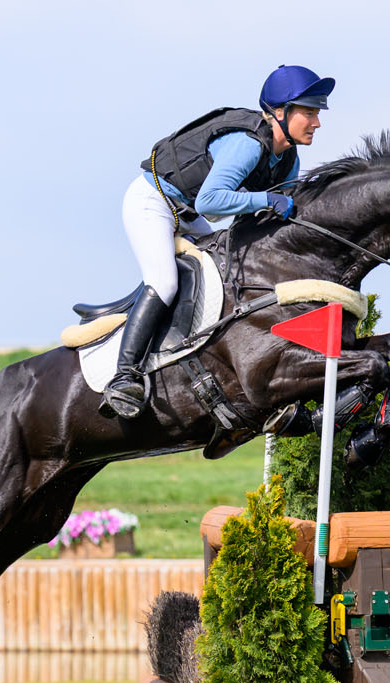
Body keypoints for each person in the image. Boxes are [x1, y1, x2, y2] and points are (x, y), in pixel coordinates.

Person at [99, 65, 334, 419]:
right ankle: (124, 377)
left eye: (317, 113)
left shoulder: (288, 159)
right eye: (310, 112)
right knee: (163, 282)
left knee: (223, 276)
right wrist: (266, 201)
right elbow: (212, 200)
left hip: (188, 211)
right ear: (281, 113)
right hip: (154, 199)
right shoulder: (247, 145)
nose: (317, 123)